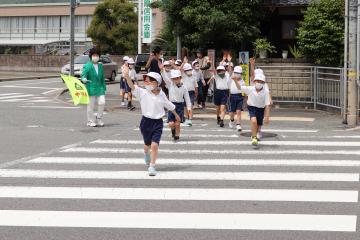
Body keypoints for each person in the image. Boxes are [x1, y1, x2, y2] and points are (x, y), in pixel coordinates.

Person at [123, 68, 180, 176]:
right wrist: (126, 76)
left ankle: (152, 166)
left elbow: (169, 105)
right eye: (146, 81)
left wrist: (177, 115)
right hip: (145, 122)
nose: (147, 83)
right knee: (147, 146)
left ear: (157, 83)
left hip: (158, 123)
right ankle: (146, 155)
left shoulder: (162, 94)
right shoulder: (142, 92)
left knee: (154, 145)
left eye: (150, 81)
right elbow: (131, 86)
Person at [235, 73, 271, 146]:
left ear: (263, 83)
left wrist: (267, 116)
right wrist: (235, 80)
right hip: (252, 107)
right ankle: (254, 137)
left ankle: (257, 132)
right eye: (257, 81)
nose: (259, 83)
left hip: (261, 108)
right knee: (254, 121)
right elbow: (239, 88)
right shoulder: (250, 89)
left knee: (258, 124)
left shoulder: (265, 92)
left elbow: (267, 104)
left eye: (261, 82)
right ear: (254, 81)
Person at [161, 68, 192, 141]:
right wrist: (162, 70)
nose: (176, 80)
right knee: (171, 124)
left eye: (177, 78)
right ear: (172, 79)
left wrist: (189, 107)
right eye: (174, 78)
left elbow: (187, 98)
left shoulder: (184, 87)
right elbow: (165, 77)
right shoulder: (170, 85)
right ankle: (173, 130)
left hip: (180, 106)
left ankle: (177, 135)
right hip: (171, 105)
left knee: (177, 123)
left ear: (180, 78)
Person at [81, 47, 106, 127]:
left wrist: (104, 87)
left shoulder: (100, 65)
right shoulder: (87, 66)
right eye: (94, 55)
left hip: (100, 88)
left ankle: (99, 118)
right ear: (91, 56)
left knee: (102, 102)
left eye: (97, 55)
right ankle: (90, 121)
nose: (95, 57)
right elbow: (83, 76)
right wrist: (84, 79)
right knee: (90, 106)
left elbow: (102, 77)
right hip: (90, 88)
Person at [229, 66, 245, 131]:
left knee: (238, 111)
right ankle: (232, 120)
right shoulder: (231, 78)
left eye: (238, 73)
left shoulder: (242, 81)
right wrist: (229, 61)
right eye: (236, 72)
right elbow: (229, 71)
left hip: (240, 96)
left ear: (241, 74)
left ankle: (238, 124)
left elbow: (239, 88)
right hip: (232, 96)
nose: (237, 74)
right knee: (232, 112)